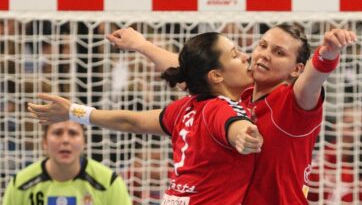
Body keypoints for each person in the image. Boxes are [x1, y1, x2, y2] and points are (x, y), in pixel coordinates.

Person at [105, 24, 357, 204]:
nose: (265, 55)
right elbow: (194, 68)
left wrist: (328, 53)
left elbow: (313, 79)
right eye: (263, 45)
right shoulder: (239, 93)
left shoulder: (294, 103)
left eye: (279, 53)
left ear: (296, 69)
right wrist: (140, 45)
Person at [28, 32, 264, 204]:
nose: (246, 57)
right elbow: (234, 124)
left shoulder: (185, 108)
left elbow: (131, 121)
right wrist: (243, 134)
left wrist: (74, 112)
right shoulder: (223, 108)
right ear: (216, 75)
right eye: (235, 55)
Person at [1, 120, 131, 205]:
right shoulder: (20, 184)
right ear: (45, 142)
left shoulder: (108, 182)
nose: (65, 140)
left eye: (73, 133)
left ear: (84, 142)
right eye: (57, 133)